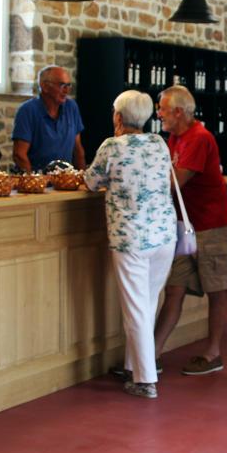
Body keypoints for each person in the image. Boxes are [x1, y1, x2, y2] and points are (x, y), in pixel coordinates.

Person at [84, 90, 176, 400]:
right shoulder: (159, 143)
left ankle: (146, 381)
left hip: (131, 238)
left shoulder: (112, 146)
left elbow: (91, 181)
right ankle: (135, 366)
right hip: (164, 236)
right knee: (146, 304)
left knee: (137, 308)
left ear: (119, 117)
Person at [154, 85, 227, 375]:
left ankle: (213, 353)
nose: (158, 113)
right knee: (174, 288)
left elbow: (175, 181)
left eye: (162, 108)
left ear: (178, 111)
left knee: (216, 289)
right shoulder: (174, 137)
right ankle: (152, 354)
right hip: (185, 226)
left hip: (210, 224)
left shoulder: (199, 138)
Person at [12, 65, 85, 172]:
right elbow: (19, 155)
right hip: (37, 181)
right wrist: (35, 182)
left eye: (68, 85)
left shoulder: (71, 107)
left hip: (64, 181)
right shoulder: (27, 110)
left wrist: (82, 179)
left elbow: (78, 149)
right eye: (62, 85)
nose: (66, 90)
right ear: (44, 86)